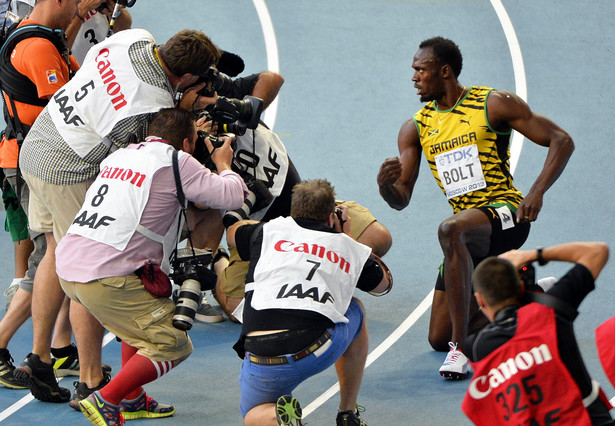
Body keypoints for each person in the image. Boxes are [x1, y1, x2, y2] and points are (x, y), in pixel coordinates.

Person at [13, 26, 222, 404]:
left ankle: (41, 357)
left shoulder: (136, 37)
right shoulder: (150, 104)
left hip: (39, 143)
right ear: (188, 77)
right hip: (68, 170)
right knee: (90, 262)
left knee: (58, 251)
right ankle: (91, 381)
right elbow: (141, 160)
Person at [376, 36, 574, 379]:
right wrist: (384, 185)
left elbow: (561, 140)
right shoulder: (416, 127)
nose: (414, 77)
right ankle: (528, 294)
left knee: (450, 228)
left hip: (507, 212)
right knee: (436, 336)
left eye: (421, 70)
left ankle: (460, 350)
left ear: (445, 71)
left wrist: (537, 192)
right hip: (467, 235)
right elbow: (401, 198)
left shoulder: (492, 103)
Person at [54, 107, 247, 424]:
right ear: (187, 142)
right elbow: (232, 195)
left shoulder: (120, 156)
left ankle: (132, 398)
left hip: (73, 265)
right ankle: (107, 399)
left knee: (142, 314)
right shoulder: (177, 161)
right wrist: (223, 164)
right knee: (172, 343)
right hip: (108, 277)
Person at [227, 178, 392, 426]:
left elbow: (232, 233)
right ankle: (347, 413)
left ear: (292, 213)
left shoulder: (265, 232)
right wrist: (348, 240)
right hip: (314, 348)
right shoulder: (346, 245)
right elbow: (384, 285)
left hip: (261, 356)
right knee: (355, 309)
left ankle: (276, 418)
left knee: (253, 415)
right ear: (331, 217)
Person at [0, 0, 85, 390]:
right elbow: (69, 112)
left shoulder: (46, 38)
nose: (84, 14)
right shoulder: (38, 48)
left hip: (31, 159)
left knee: (58, 252)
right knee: (49, 259)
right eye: (81, 4)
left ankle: (59, 348)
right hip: (33, 163)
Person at [462, 242, 614, 425]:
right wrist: (533, 255)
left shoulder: (475, 348)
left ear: (481, 300)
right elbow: (598, 251)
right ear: (521, 288)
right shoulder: (550, 311)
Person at [67, 0, 132, 65]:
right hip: (80, 70)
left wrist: (115, 10)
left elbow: (126, 31)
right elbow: (60, 49)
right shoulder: (62, 6)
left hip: (111, 65)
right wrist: (82, 11)